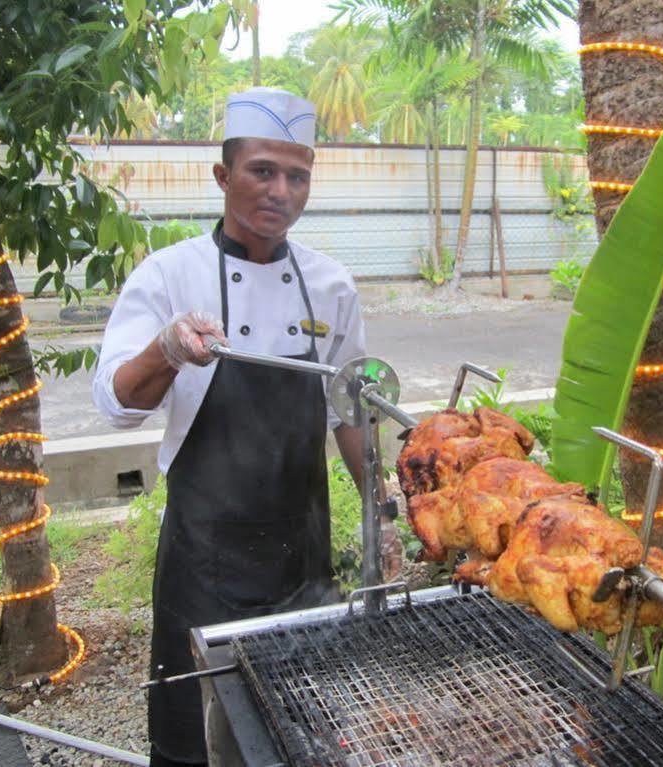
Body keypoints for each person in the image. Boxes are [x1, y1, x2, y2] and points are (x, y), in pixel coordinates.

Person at [92, 87, 402, 767]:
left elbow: (349, 407)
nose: (281, 191)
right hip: (205, 552)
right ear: (222, 175)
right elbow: (117, 398)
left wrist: (383, 514)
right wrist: (168, 349)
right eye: (262, 170)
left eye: (297, 175)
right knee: (192, 730)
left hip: (303, 546)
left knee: (299, 725)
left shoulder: (330, 285)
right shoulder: (170, 273)